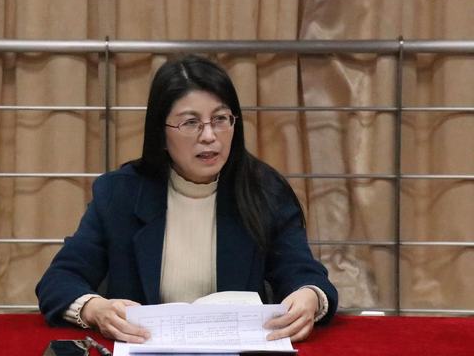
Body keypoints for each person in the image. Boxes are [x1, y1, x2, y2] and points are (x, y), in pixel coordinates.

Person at [36, 54, 338, 343]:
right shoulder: (119, 194)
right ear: (161, 133)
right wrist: (94, 309)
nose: (209, 136)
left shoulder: (265, 190)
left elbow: (302, 272)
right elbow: (60, 279)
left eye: (220, 119)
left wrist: (309, 295)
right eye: (190, 122)